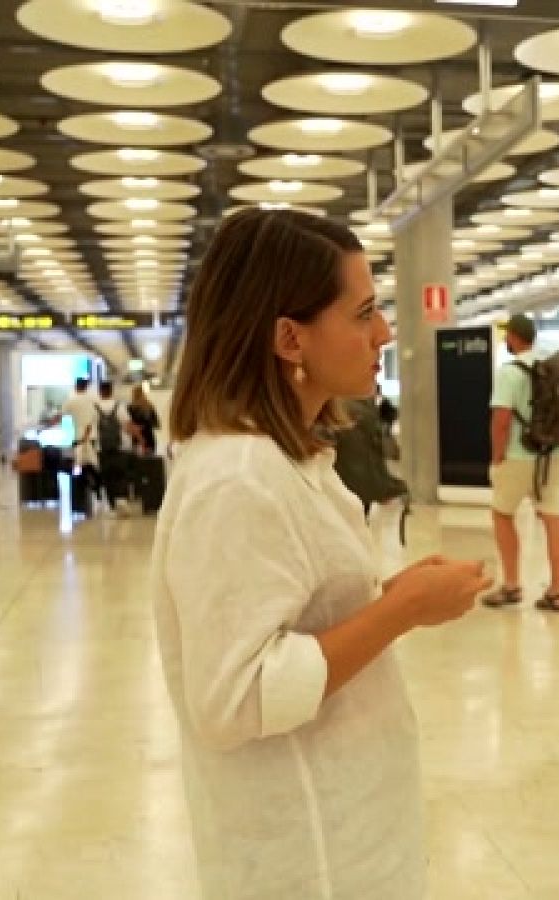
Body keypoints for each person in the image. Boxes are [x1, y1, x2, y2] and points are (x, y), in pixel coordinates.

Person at [149, 208, 491, 899]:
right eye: (363, 313)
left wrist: (390, 596)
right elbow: (233, 699)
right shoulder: (239, 478)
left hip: (345, 828)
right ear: (288, 337)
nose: (384, 334)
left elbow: (293, 615)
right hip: (308, 858)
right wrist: (399, 614)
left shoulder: (283, 460)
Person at [482, 313, 559, 612]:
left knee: (502, 515)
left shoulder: (509, 372)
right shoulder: (553, 366)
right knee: (553, 518)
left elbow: (501, 419)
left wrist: (496, 455)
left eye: (507, 335)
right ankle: (557, 592)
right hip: (554, 454)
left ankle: (511, 585)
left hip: (518, 456)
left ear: (515, 337)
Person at [92, 381, 134, 516]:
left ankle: (112, 506)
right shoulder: (119, 407)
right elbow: (128, 426)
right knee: (121, 474)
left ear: (100, 391)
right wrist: (139, 438)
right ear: (111, 391)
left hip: (102, 448)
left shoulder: (94, 408)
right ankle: (122, 500)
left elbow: (91, 428)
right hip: (120, 447)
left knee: (107, 476)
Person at [60, 377, 100, 510]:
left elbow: (61, 415)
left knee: (78, 467)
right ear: (86, 387)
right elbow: (93, 420)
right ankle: (96, 488)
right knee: (92, 464)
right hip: (91, 439)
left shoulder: (71, 401)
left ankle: (81, 496)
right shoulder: (92, 402)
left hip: (78, 439)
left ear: (76, 386)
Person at [128, 383, 161, 457]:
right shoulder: (149, 406)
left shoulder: (130, 408)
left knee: (138, 463)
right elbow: (157, 423)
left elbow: (129, 424)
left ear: (133, 395)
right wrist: (145, 425)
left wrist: (138, 427)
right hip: (149, 438)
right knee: (149, 462)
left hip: (137, 439)